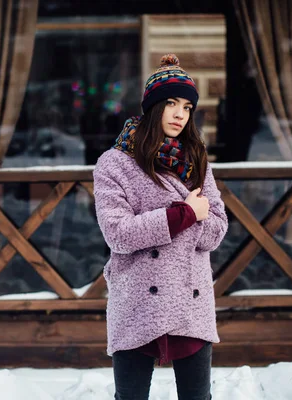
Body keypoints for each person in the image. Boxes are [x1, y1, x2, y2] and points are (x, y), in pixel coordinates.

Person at [93, 54, 228, 400]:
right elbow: (118, 234)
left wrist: (195, 217)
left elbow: (216, 229)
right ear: (153, 106)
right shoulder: (114, 164)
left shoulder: (196, 158)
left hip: (190, 299)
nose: (180, 113)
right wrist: (185, 213)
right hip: (137, 299)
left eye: (187, 106)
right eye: (171, 103)